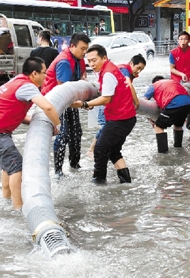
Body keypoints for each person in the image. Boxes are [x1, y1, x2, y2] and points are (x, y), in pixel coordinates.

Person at [0, 57, 61, 209]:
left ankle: (6, 200)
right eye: (44, 73)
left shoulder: (18, 81)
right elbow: (48, 108)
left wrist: (34, 122)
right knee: (17, 167)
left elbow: (13, 113)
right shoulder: (27, 86)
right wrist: (58, 126)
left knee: (9, 166)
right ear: (34, 73)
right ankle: (19, 207)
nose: (45, 76)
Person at [72, 44, 137, 184]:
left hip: (120, 119)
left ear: (104, 58)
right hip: (126, 118)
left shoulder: (108, 73)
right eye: (89, 61)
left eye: (94, 60)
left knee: (100, 149)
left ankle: (99, 184)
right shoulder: (108, 69)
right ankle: (126, 183)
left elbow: (106, 98)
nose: (91, 64)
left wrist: (85, 104)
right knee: (113, 152)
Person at [41, 32, 90, 178]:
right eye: (82, 48)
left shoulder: (78, 58)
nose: (84, 52)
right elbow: (63, 91)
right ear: (72, 46)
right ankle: (58, 171)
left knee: (77, 133)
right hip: (57, 102)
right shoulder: (64, 61)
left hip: (70, 100)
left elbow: (82, 78)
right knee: (63, 135)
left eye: (86, 49)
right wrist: (83, 105)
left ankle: (75, 165)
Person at [87, 54, 146, 159]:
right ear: (131, 64)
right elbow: (128, 84)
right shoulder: (124, 70)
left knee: (107, 130)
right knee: (106, 128)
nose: (139, 71)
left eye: (141, 69)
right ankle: (92, 150)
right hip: (106, 106)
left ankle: (100, 152)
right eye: (138, 68)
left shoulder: (126, 71)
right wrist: (136, 102)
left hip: (111, 105)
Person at [144, 76, 190, 153]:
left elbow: (144, 103)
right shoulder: (173, 82)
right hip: (188, 104)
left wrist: (150, 118)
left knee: (158, 126)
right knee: (178, 125)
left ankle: (163, 153)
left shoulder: (153, 86)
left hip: (174, 104)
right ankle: (178, 148)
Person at [169, 31, 190, 129]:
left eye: (185, 39)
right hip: (177, 82)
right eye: (181, 39)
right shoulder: (173, 53)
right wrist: (181, 74)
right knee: (178, 103)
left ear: (189, 40)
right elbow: (172, 68)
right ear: (178, 40)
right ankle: (178, 123)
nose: (183, 41)